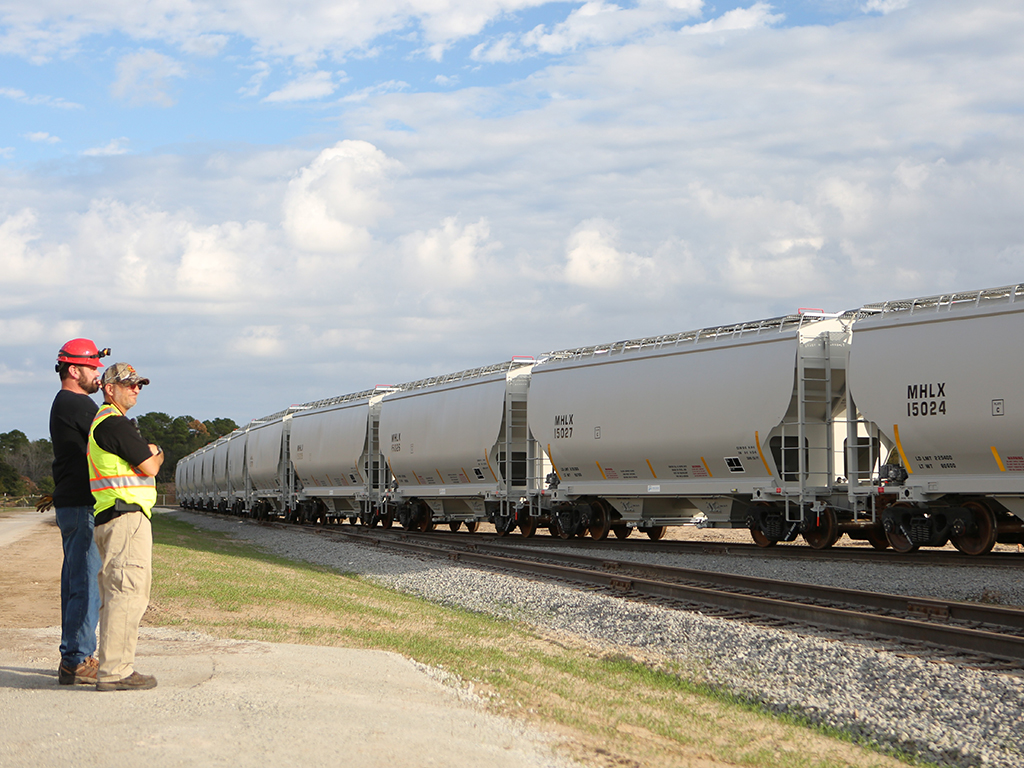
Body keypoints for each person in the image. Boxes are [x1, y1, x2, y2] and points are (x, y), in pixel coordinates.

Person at [87, 362, 163, 691]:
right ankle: (116, 672)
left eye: (139, 384)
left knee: (116, 595)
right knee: (127, 594)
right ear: (109, 388)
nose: (135, 389)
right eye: (129, 384)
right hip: (126, 518)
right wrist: (158, 452)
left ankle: (113, 666)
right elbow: (150, 466)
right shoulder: (115, 424)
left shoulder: (106, 424)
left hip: (111, 518)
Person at [49, 338, 109, 685]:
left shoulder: (66, 403)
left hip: (72, 503)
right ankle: (77, 658)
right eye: (92, 368)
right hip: (81, 504)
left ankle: (74, 655)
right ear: (74, 370)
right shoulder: (77, 403)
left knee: (77, 581)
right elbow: (116, 435)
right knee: (85, 583)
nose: (97, 375)